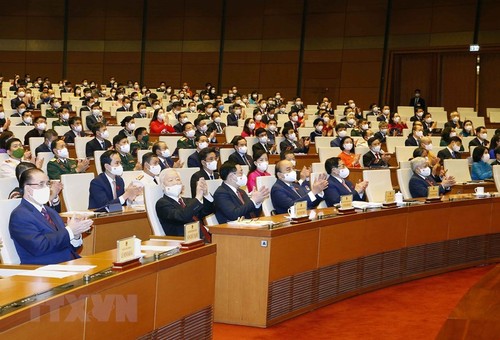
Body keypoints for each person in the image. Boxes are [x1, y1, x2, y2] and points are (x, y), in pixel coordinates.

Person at [9, 168, 93, 265]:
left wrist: (76, 235)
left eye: (47, 184)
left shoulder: (50, 211)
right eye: (41, 184)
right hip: (43, 268)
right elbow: (39, 247)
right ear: (28, 189)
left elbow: (70, 246)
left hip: (68, 263)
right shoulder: (20, 215)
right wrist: (70, 231)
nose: (47, 188)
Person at [156, 168, 214, 239]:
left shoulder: (187, 200)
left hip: (201, 237)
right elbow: (183, 216)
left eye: (178, 179)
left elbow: (207, 211)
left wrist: (206, 194)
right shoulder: (162, 204)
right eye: (170, 180)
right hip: (182, 241)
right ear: (162, 185)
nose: (175, 182)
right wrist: (198, 197)